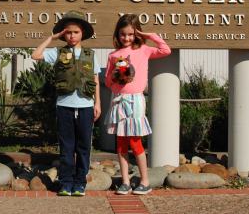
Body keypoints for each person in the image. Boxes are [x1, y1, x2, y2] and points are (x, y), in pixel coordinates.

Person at [32, 10, 101, 197]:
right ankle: (66, 183)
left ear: (82, 34)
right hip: (64, 105)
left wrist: (98, 104)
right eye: (68, 32)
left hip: (86, 106)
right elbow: (35, 55)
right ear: (64, 33)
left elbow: (95, 79)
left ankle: (80, 183)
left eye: (76, 32)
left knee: (84, 146)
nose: (72, 36)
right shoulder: (57, 52)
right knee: (67, 147)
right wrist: (51, 38)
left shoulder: (91, 54)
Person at [104, 14, 171, 195]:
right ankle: (125, 182)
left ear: (136, 34)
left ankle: (145, 181)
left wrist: (149, 35)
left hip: (135, 100)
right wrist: (115, 77)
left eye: (131, 34)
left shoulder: (143, 49)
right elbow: (108, 83)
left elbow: (165, 50)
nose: (126, 38)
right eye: (123, 34)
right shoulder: (113, 55)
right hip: (118, 100)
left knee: (135, 142)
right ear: (117, 34)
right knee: (121, 144)